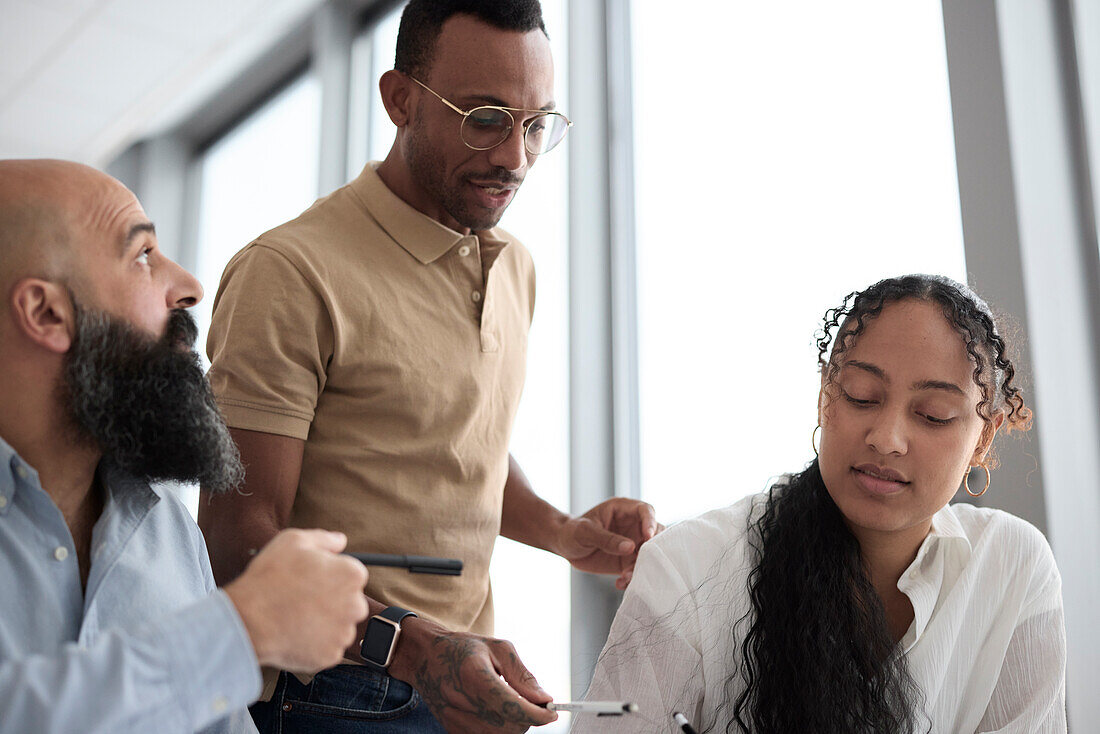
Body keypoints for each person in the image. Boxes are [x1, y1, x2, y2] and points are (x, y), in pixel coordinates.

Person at [198, 1, 660, 732]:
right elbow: (236, 541)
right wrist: (411, 648)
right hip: (332, 692)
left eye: (537, 125)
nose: (514, 157)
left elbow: (455, 452)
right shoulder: (288, 272)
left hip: (465, 679)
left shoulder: (514, 268)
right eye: (485, 117)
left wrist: (566, 533)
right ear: (400, 99)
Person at [577, 275, 1066, 733]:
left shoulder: (1012, 565)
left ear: (984, 439)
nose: (887, 438)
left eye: (933, 416)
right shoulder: (689, 569)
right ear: (824, 397)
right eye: (860, 397)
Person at [0, 159, 374, 734]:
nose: (191, 287)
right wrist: (245, 629)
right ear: (46, 312)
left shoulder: (166, 530)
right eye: (143, 255)